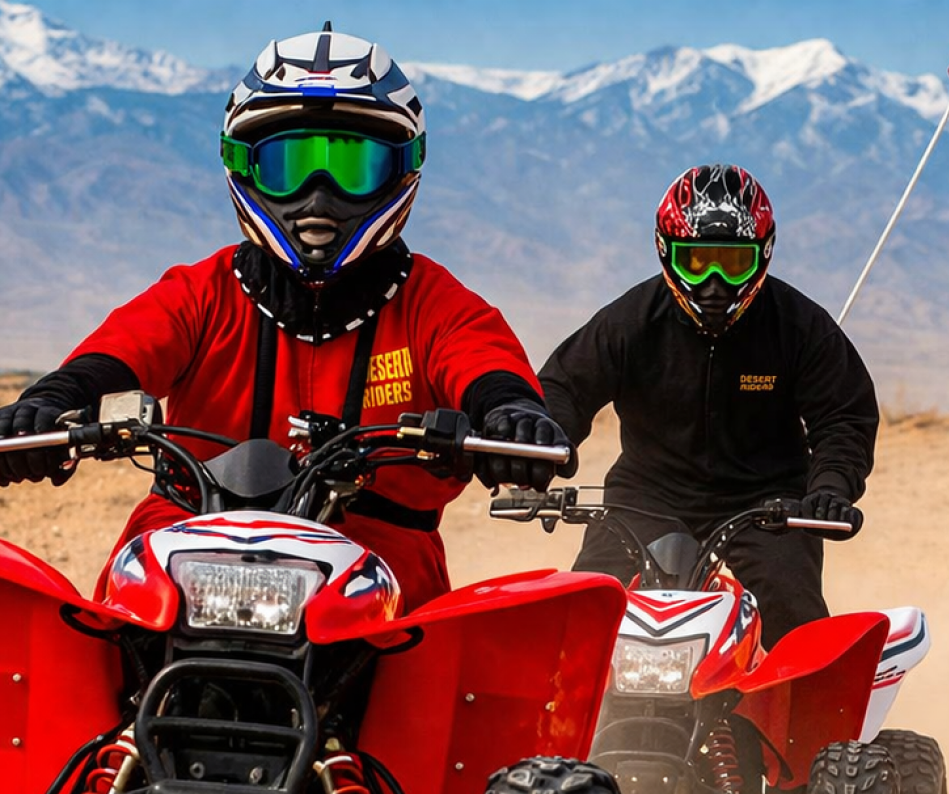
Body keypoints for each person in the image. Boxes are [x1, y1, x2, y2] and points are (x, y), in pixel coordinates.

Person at [0, 25, 573, 612]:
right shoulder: (200, 293)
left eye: (351, 166)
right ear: (242, 165)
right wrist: (48, 401)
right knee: (74, 647)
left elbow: (486, 365)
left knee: (465, 660)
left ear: (402, 170)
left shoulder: (436, 305)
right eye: (288, 165)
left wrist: (513, 414)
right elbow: (119, 351)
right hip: (184, 536)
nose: (317, 195)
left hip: (383, 560)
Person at [539, 163, 878, 648]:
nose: (715, 284)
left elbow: (843, 417)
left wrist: (830, 486)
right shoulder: (631, 321)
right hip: (646, 494)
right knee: (581, 616)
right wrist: (542, 440)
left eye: (733, 262)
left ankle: (810, 701)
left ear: (763, 255)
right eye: (697, 262)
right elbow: (564, 389)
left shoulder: (800, 326)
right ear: (666, 252)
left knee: (797, 622)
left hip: (768, 501)